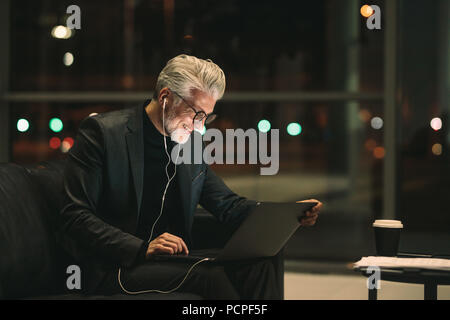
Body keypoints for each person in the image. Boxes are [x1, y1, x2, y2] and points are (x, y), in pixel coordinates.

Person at [58, 54, 322, 299]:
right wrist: (141, 247)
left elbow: (227, 205)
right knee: (211, 277)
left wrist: (287, 214)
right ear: (165, 97)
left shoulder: (189, 145)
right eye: (196, 113)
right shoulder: (103, 134)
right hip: (117, 264)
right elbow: (74, 216)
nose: (200, 125)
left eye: (206, 116)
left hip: (172, 259)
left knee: (264, 259)